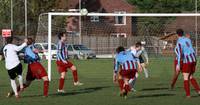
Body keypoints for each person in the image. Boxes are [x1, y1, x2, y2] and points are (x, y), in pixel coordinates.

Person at [175, 29, 200, 98]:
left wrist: (178, 65)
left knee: (185, 77)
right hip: (193, 59)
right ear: (183, 33)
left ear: (177, 34)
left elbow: (180, 54)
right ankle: (199, 91)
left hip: (187, 61)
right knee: (190, 76)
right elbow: (191, 49)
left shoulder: (179, 42)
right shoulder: (188, 39)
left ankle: (188, 95)